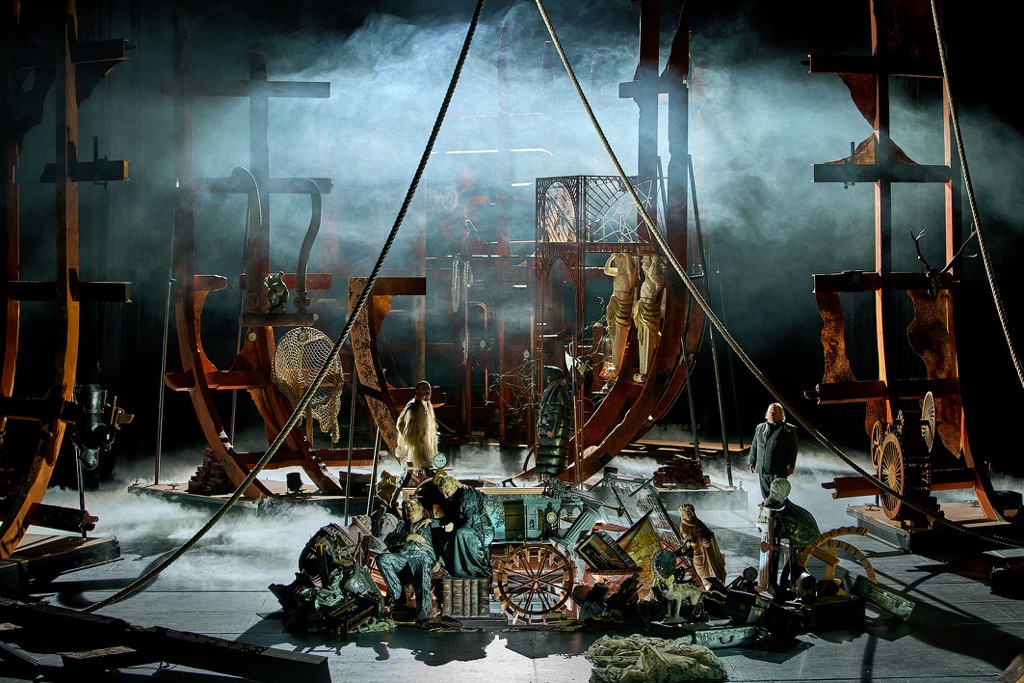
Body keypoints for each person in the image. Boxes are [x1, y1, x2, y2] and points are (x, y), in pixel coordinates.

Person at [376, 499, 441, 624]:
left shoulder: (430, 525)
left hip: (422, 556)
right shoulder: (402, 526)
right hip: (403, 557)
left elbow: (442, 544)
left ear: (421, 508)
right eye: (406, 506)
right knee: (383, 559)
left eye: (412, 505)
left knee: (422, 573)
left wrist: (439, 561)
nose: (408, 507)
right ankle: (399, 598)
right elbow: (389, 542)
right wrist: (408, 537)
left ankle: (423, 611)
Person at [435, 474, 494, 578]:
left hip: (481, 531)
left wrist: (454, 534)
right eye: (443, 493)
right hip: (466, 530)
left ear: (454, 487)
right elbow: (448, 519)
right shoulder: (452, 501)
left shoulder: (468, 496)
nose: (445, 496)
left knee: (459, 534)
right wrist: (431, 521)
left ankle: (468, 570)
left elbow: (470, 521)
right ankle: (451, 570)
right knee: (444, 539)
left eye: (446, 492)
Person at [748, 402, 798, 500]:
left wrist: (791, 465)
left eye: (775, 412)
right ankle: (768, 508)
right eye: (770, 411)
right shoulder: (760, 428)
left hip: (778, 470)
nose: (772, 413)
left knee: (778, 496)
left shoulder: (788, 429)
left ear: (780, 414)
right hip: (762, 468)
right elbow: (754, 445)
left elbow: (793, 449)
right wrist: (751, 461)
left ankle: (780, 509)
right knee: (766, 496)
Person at [396, 380, 437, 488]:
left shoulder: (427, 406)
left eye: (429, 391)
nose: (427, 393)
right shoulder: (413, 408)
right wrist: (409, 440)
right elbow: (400, 425)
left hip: (425, 447)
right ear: (417, 392)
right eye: (424, 391)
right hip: (414, 448)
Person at [632, 254, 665, 383]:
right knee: (641, 337)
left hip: (648, 311)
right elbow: (649, 273)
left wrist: (654, 262)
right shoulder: (648, 279)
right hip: (642, 309)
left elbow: (652, 274)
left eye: (646, 265)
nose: (644, 267)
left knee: (647, 339)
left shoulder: (659, 279)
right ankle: (643, 370)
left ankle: (645, 370)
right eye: (643, 265)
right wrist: (651, 262)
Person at [677, 503, 726, 591]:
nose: (688, 515)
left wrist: (708, 540)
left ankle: (719, 587)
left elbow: (709, 533)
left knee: (716, 571)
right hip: (698, 554)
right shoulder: (684, 527)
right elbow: (688, 541)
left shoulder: (698, 522)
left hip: (708, 552)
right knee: (703, 574)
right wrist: (697, 539)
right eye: (686, 514)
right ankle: (707, 589)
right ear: (683, 515)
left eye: (689, 513)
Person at [603, 252, 637, 377]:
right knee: (613, 330)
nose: (618, 263)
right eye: (617, 262)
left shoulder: (629, 274)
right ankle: (615, 363)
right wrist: (611, 258)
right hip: (615, 301)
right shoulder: (617, 272)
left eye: (619, 261)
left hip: (623, 303)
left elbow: (630, 271)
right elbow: (606, 270)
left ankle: (617, 365)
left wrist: (627, 257)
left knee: (620, 330)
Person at [535, 365, 572, 480]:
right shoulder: (558, 389)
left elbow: (555, 411)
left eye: (548, 376)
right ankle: (551, 481)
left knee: (552, 461)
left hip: (554, 432)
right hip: (555, 431)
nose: (547, 378)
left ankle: (552, 482)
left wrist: (550, 429)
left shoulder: (556, 391)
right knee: (552, 461)